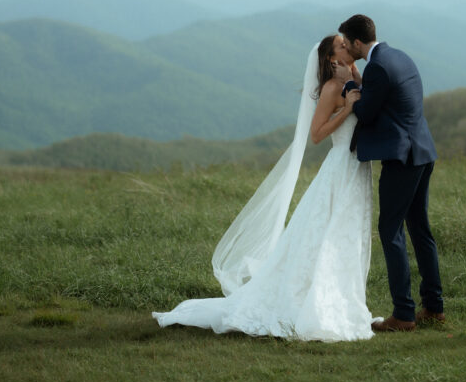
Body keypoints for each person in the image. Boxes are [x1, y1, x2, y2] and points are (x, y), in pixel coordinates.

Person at [152, 35, 375, 341]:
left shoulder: (352, 80)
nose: (348, 48)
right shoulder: (332, 89)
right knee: (327, 235)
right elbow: (316, 135)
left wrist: (354, 82)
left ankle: (343, 300)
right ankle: (315, 304)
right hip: (339, 169)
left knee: (348, 236)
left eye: (347, 44)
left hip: (357, 170)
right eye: (341, 46)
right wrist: (347, 109)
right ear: (330, 59)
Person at [337, 14, 444, 331]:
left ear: (358, 43)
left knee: (390, 230)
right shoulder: (399, 56)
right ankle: (434, 307)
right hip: (423, 151)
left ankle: (404, 314)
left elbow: (367, 113)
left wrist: (348, 86)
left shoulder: (378, 67)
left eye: (346, 43)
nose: (344, 47)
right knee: (420, 229)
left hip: (403, 158)